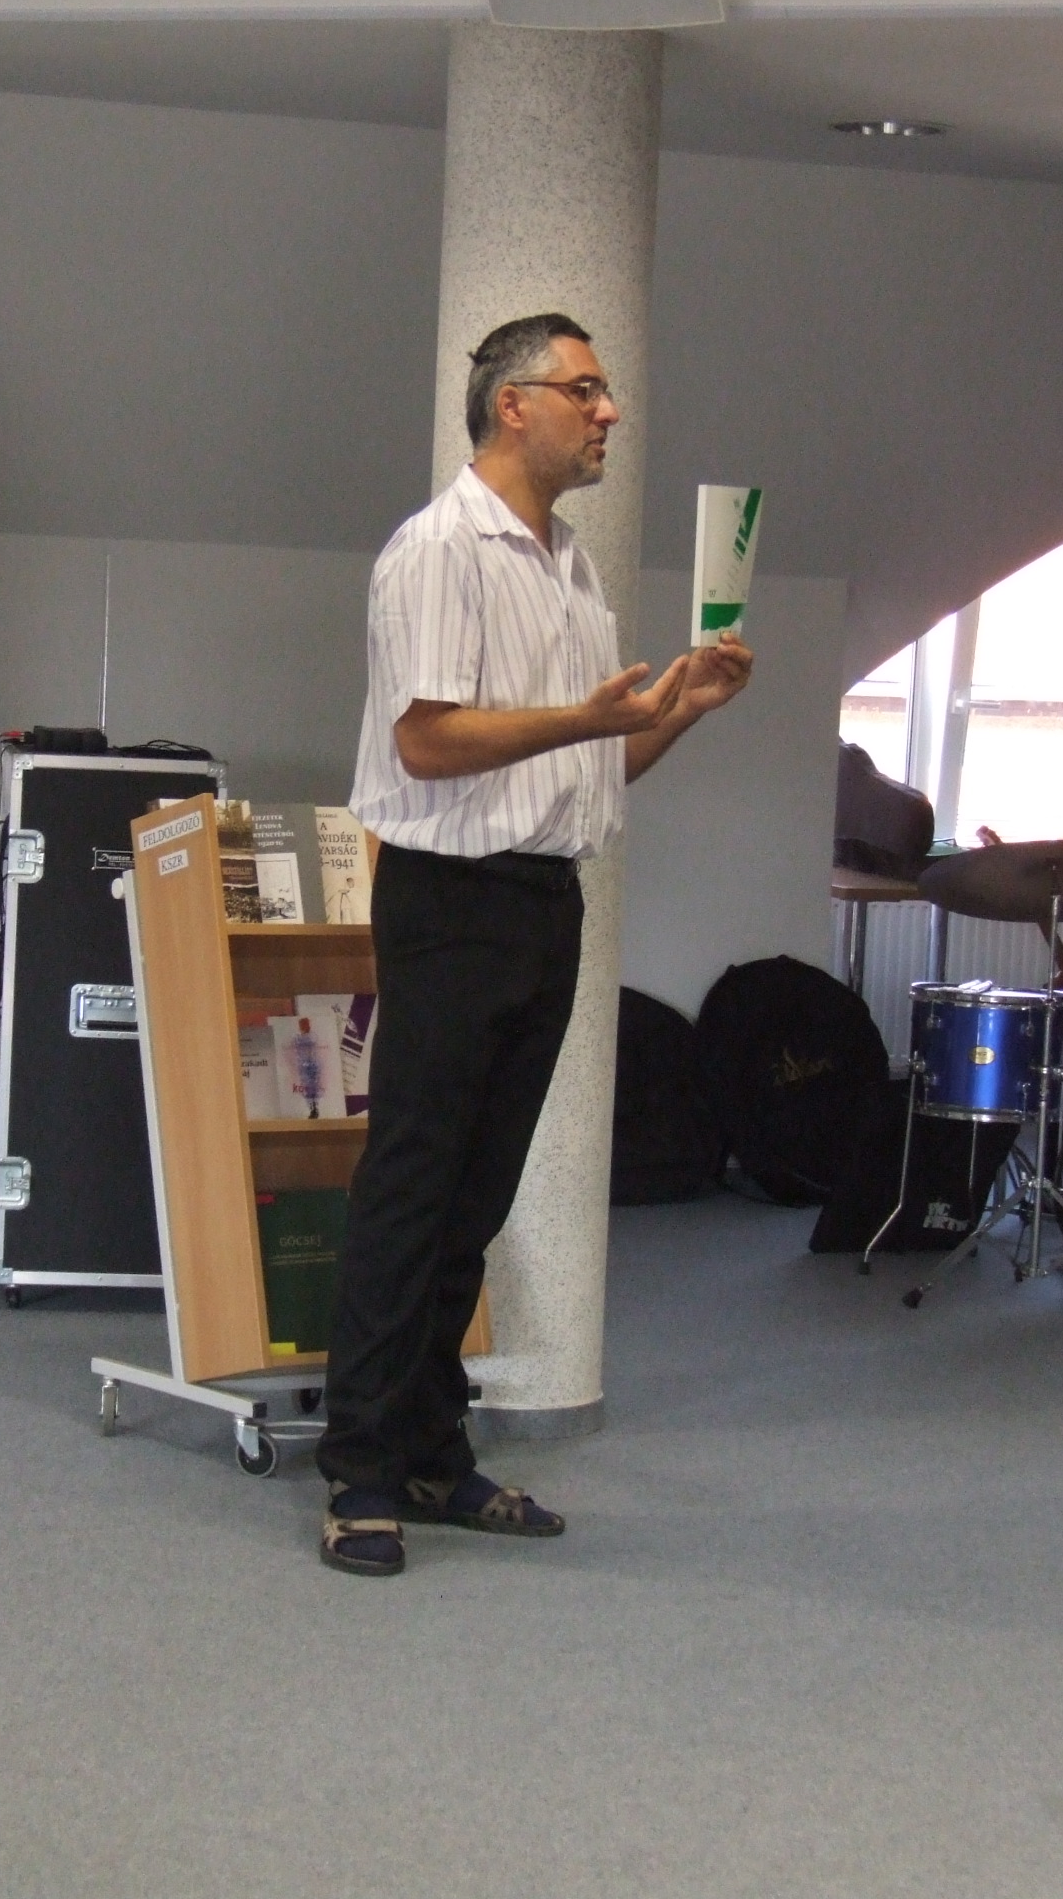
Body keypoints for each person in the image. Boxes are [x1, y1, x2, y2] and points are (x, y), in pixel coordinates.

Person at [317, 312, 754, 1576]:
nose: (609, 412)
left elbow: (595, 767)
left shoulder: (570, 566)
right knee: (411, 1188)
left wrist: (681, 710)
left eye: (606, 392)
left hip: (543, 899)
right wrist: (581, 717)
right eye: (586, 389)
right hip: (448, 901)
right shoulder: (437, 550)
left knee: (477, 1197)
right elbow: (426, 740)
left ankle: (431, 1453)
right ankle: (359, 1474)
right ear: (514, 405)